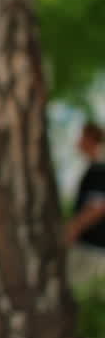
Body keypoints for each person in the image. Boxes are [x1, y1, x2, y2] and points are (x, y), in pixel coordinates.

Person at [66, 121, 105, 290]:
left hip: (92, 247)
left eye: (82, 136)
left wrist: (73, 229)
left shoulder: (99, 169)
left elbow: (97, 207)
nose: (78, 141)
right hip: (91, 245)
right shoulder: (94, 168)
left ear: (91, 139)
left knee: (78, 290)